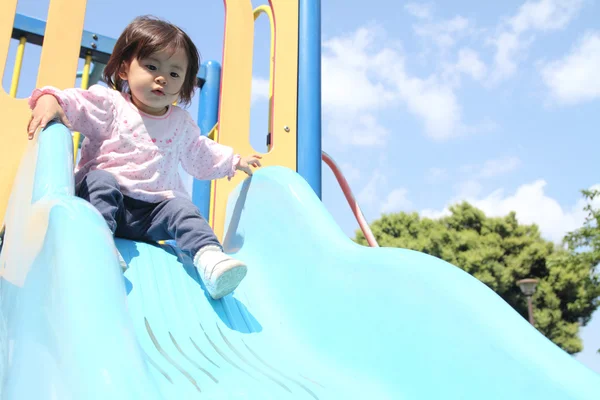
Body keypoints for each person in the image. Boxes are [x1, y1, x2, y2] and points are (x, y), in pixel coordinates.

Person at [26, 15, 261, 300]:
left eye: (175, 74)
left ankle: (209, 259)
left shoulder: (181, 122)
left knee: (183, 209)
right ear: (125, 69)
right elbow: (77, 104)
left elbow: (198, 151)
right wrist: (52, 99)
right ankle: (99, 246)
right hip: (109, 204)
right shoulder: (112, 104)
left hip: (153, 214)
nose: (162, 77)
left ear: (184, 83)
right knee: (100, 180)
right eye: (151, 66)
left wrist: (233, 161)